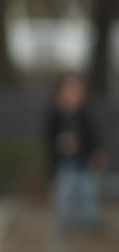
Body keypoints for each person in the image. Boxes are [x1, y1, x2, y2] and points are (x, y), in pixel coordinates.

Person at [45, 74, 103, 231]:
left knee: (88, 193)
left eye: (76, 90)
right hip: (65, 163)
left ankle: (90, 224)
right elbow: (48, 137)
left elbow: (93, 136)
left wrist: (94, 152)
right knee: (66, 195)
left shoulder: (85, 113)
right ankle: (67, 225)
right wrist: (59, 145)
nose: (74, 93)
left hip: (83, 161)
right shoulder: (55, 114)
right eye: (70, 90)